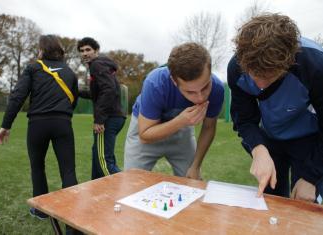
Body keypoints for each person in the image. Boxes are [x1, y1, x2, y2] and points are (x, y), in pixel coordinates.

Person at [227, 13, 323, 203]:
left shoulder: (316, 67)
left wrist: (312, 177)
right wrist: (258, 148)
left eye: (270, 77)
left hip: (309, 140)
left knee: (304, 201)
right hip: (270, 138)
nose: (261, 85)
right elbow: (244, 119)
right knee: (271, 198)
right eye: (254, 75)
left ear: (289, 62)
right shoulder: (236, 67)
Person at [0, 35, 79, 220]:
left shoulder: (33, 68)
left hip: (37, 124)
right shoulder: (70, 72)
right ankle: (72, 217)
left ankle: (41, 211)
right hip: (62, 124)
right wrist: (62, 114)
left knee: (37, 167)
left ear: (42, 49)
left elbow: (18, 96)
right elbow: (73, 99)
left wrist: (6, 125)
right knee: (68, 170)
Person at [124, 42, 224, 179]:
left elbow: (209, 127)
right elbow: (145, 135)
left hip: (182, 131)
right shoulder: (155, 83)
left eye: (205, 87)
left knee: (193, 184)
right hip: (148, 128)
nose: (200, 97)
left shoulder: (217, 88)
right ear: (174, 81)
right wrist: (180, 121)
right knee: (131, 183)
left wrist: (195, 166)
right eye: (190, 92)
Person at [77, 37, 126, 180]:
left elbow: (109, 90)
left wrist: (99, 119)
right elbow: (96, 94)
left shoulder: (96, 65)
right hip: (115, 117)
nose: (84, 53)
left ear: (96, 51)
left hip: (108, 119)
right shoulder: (101, 65)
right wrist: (76, 91)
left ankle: (125, 188)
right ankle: (96, 189)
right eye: (82, 51)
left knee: (104, 161)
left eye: (88, 50)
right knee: (97, 155)